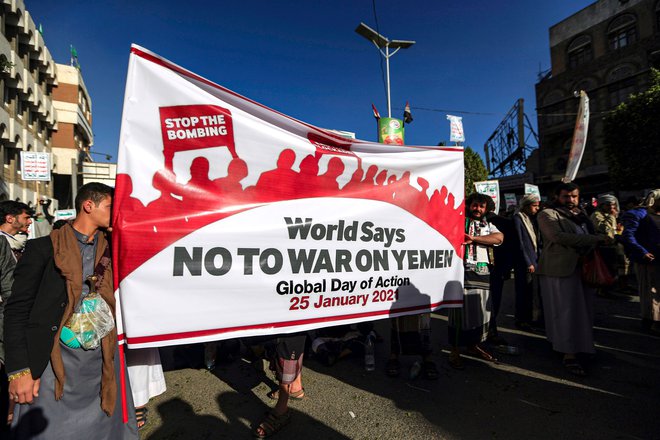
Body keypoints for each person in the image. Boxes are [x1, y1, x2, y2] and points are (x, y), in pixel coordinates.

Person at [4, 183, 138, 438]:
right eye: (111, 207)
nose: (116, 213)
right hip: (51, 362)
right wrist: (19, 371)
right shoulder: (43, 249)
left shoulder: (117, 248)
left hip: (103, 361)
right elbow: (17, 311)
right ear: (89, 205)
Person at [536, 182, 609, 377]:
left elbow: (589, 234)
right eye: (566, 196)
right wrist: (596, 240)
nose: (571, 200)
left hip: (582, 267)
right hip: (559, 269)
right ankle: (568, 352)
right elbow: (558, 236)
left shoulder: (582, 215)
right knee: (564, 311)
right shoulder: (547, 214)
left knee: (583, 311)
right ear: (557, 197)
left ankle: (583, 346)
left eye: (574, 196)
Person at [448, 193, 503, 369]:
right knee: (458, 312)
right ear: (469, 205)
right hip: (460, 271)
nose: (478, 209)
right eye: (475, 205)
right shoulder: (458, 220)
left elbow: (499, 238)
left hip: (482, 272)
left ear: (486, 209)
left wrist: (474, 239)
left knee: (479, 312)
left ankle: (473, 346)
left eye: (481, 206)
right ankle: (454, 350)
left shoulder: (488, 225)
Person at [619, 189, 660, 335]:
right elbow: (628, 236)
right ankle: (653, 322)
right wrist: (643, 252)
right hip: (647, 259)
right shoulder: (637, 214)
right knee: (650, 290)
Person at [512, 194, 542, 330]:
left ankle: (530, 318)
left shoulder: (531, 219)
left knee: (532, 292)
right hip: (525, 263)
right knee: (524, 292)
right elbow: (520, 243)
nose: (537, 208)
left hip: (534, 260)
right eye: (534, 206)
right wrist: (528, 262)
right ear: (526, 206)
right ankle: (522, 320)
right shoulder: (518, 218)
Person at [590, 194, 620, 295]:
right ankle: (602, 290)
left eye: (613, 205)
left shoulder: (610, 215)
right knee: (604, 268)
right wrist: (612, 217)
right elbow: (603, 228)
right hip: (602, 246)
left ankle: (609, 288)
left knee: (612, 268)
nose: (611, 207)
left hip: (611, 245)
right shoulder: (597, 215)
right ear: (602, 205)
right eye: (608, 205)